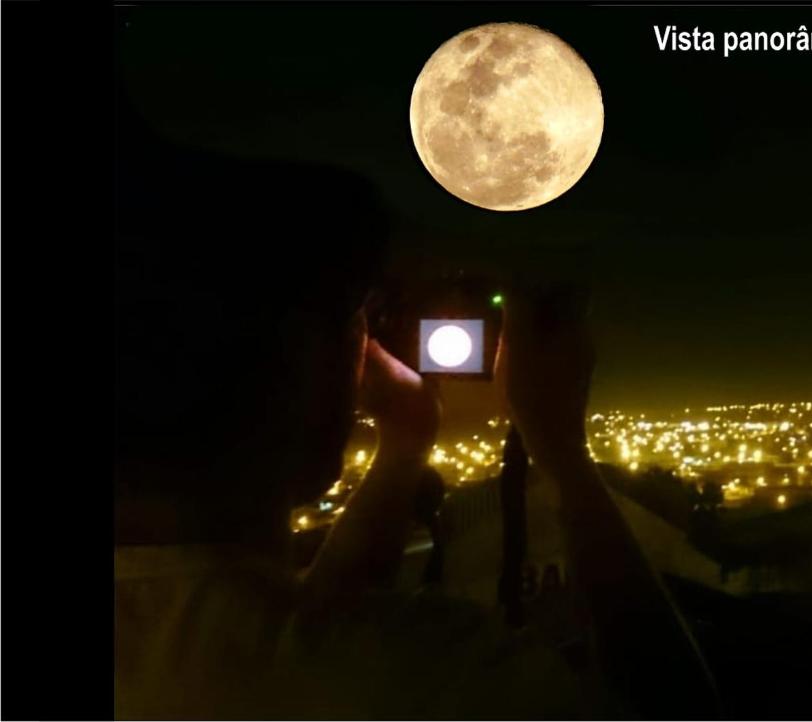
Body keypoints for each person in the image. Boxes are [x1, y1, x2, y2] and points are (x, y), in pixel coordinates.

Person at [115, 93, 719, 719]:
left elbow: (300, 626)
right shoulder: (419, 674)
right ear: (292, 363)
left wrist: (404, 447)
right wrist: (565, 455)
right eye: (355, 324)